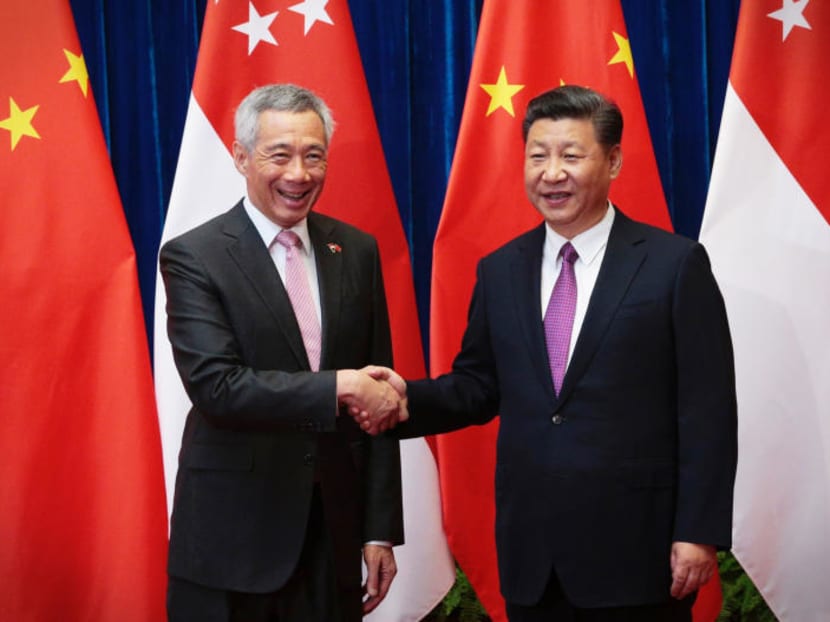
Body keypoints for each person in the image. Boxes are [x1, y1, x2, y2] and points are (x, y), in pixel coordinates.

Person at [370, 85, 738, 621]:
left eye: (571, 155)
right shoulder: (500, 269)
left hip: (638, 551)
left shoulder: (673, 265)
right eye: (538, 155)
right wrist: (403, 401)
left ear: (612, 161)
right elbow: (478, 386)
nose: (551, 172)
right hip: (533, 556)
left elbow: (707, 410)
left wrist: (699, 531)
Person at [160, 83, 404, 622]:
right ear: (241, 157)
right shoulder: (195, 257)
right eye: (280, 154)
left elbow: (380, 392)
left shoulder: (355, 250)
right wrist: (341, 386)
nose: (299, 173)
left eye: (314, 155)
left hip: (332, 539)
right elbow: (218, 388)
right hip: (232, 543)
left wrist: (380, 528)